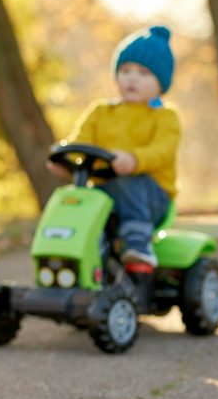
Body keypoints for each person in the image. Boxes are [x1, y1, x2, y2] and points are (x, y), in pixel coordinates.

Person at [48, 25, 180, 267]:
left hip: (152, 195)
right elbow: (80, 141)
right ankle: (65, 254)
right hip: (104, 189)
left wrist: (134, 159)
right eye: (125, 70)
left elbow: (163, 151)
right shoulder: (101, 111)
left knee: (128, 182)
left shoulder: (164, 116)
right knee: (73, 197)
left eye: (143, 73)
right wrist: (66, 160)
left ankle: (139, 242)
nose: (132, 77)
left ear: (161, 82)